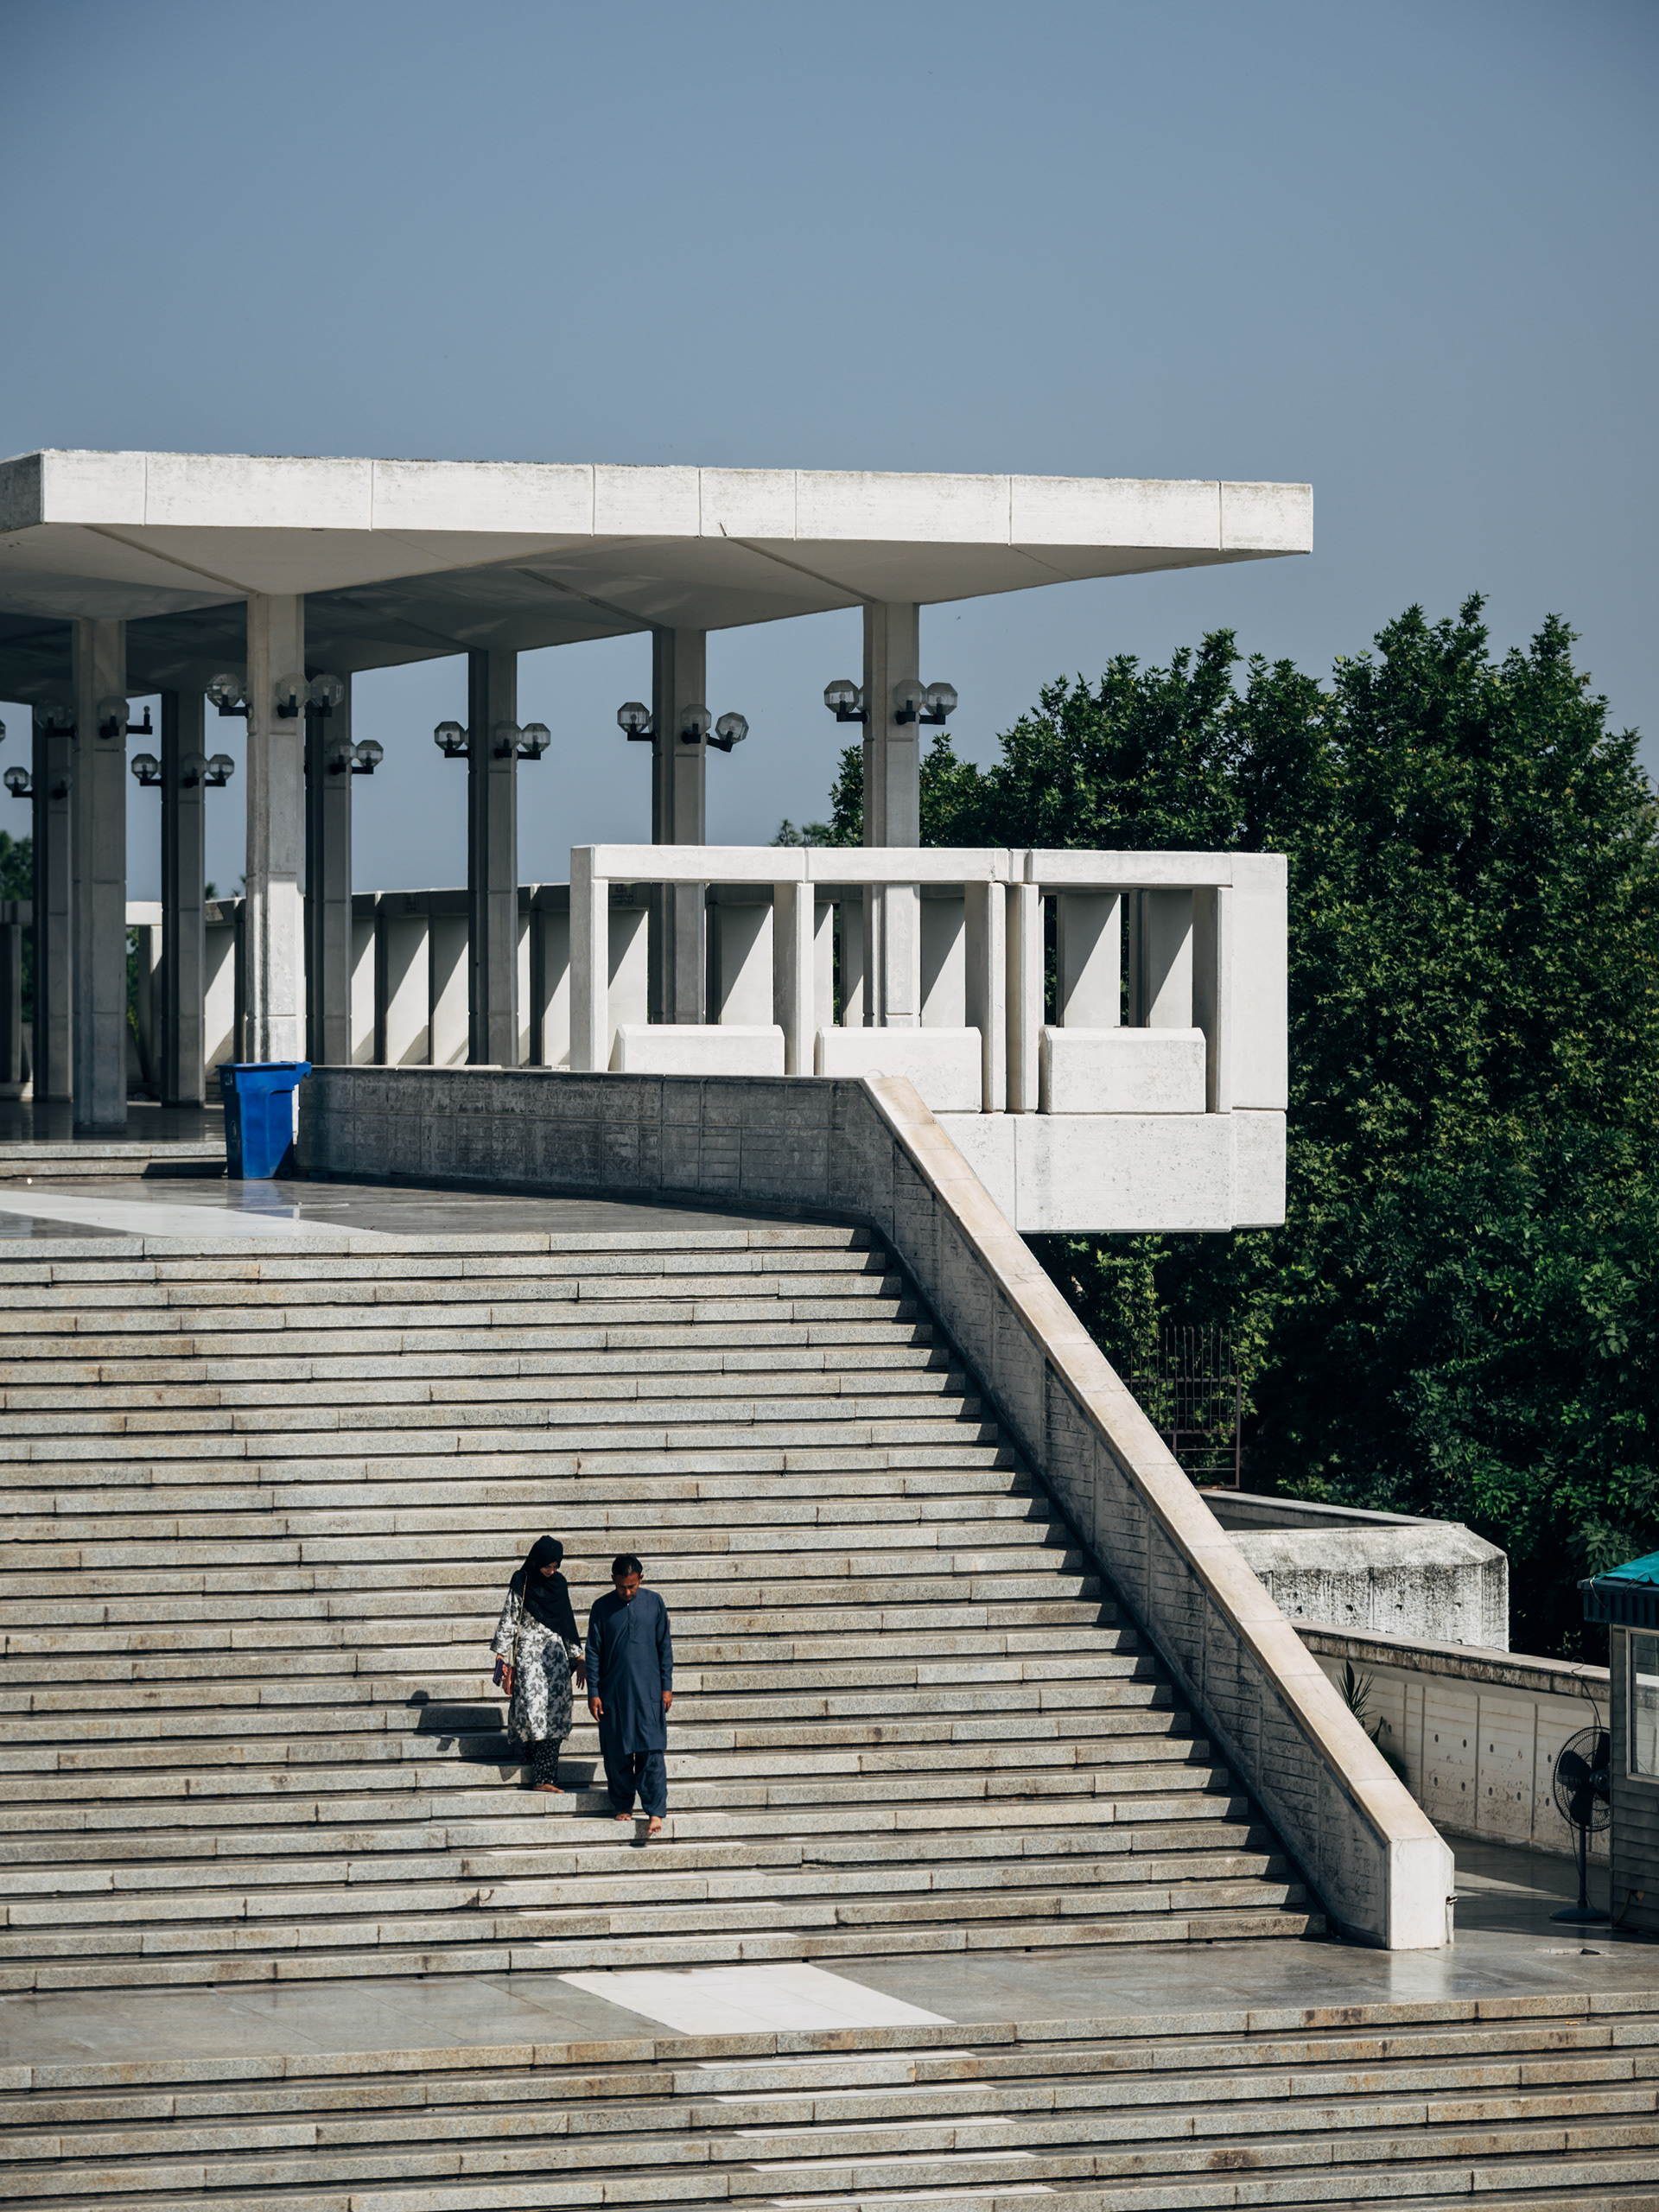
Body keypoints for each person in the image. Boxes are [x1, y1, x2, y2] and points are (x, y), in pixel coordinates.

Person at [586, 1554, 673, 1837]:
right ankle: (623, 1804)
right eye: (623, 1586)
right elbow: (594, 1652)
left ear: (641, 1580)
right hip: (615, 1695)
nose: (628, 1592)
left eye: (633, 1586)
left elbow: (664, 1646)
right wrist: (594, 1692)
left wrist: (666, 1686)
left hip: (648, 1692)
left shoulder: (654, 1603)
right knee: (617, 1754)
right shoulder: (602, 1608)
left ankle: (656, 1811)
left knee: (651, 1754)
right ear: (613, 1581)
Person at [492, 1535, 585, 1792]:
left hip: (555, 1658)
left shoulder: (559, 1583)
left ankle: (545, 1777)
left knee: (554, 1714)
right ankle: (529, 1752)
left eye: (556, 1566)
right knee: (532, 1710)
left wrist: (578, 1655)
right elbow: (511, 1616)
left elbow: (567, 1620)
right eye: (548, 1565)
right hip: (528, 1656)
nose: (551, 1571)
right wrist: (501, 1653)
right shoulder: (522, 1581)